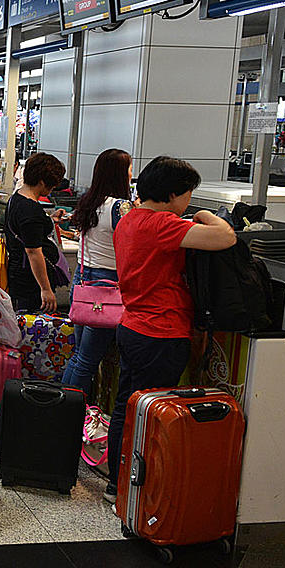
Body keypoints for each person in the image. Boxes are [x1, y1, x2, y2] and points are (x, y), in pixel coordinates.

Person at [103, 156, 236, 505]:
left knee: (127, 407)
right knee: (155, 414)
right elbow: (225, 238)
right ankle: (140, 490)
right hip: (161, 332)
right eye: (189, 194)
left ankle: (116, 483)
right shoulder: (163, 224)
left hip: (131, 326)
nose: (189, 201)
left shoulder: (129, 220)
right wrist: (209, 215)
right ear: (174, 193)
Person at [60, 149, 134, 397]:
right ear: (120, 173)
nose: (132, 173)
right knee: (88, 360)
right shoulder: (120, 207)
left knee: (79, 354)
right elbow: (132, 243)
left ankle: (62, 404)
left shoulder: (89, 200)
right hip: (106, 286)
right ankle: (69, 413)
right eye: (130, 168)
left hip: (83, 282)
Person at [3, 153, 68, 313]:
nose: (52, 188)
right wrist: (45, 289)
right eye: (51, 185)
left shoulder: (16, 199)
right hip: (31, 282)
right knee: (34, 329)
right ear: (41, 181)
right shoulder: (30, 211)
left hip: (20, 275)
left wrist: (49, 221)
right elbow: (33, 252)